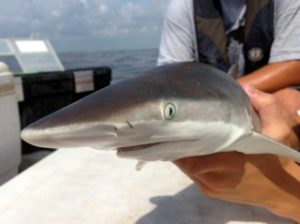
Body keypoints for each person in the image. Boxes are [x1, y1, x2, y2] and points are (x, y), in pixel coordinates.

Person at [157, 0, 300, 222]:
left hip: (259, 100)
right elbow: (169, 78)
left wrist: (225, 91)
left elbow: (294, 65)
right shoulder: (184, 6)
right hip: (213, 108)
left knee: (287, 100)